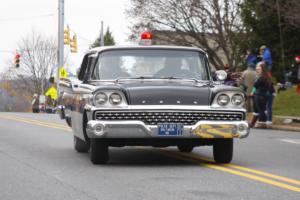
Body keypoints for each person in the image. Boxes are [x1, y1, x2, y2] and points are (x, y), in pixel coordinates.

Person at [249, 62, 273, 128]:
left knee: (260, 109)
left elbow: (256, 85)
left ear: (262, 69)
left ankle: (262, 122)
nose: (258, 70)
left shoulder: (261, 77)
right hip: (264, 94)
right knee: (262, 109)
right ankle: (262, 122)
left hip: (259, 94)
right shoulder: (267, 77)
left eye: (259, 69)